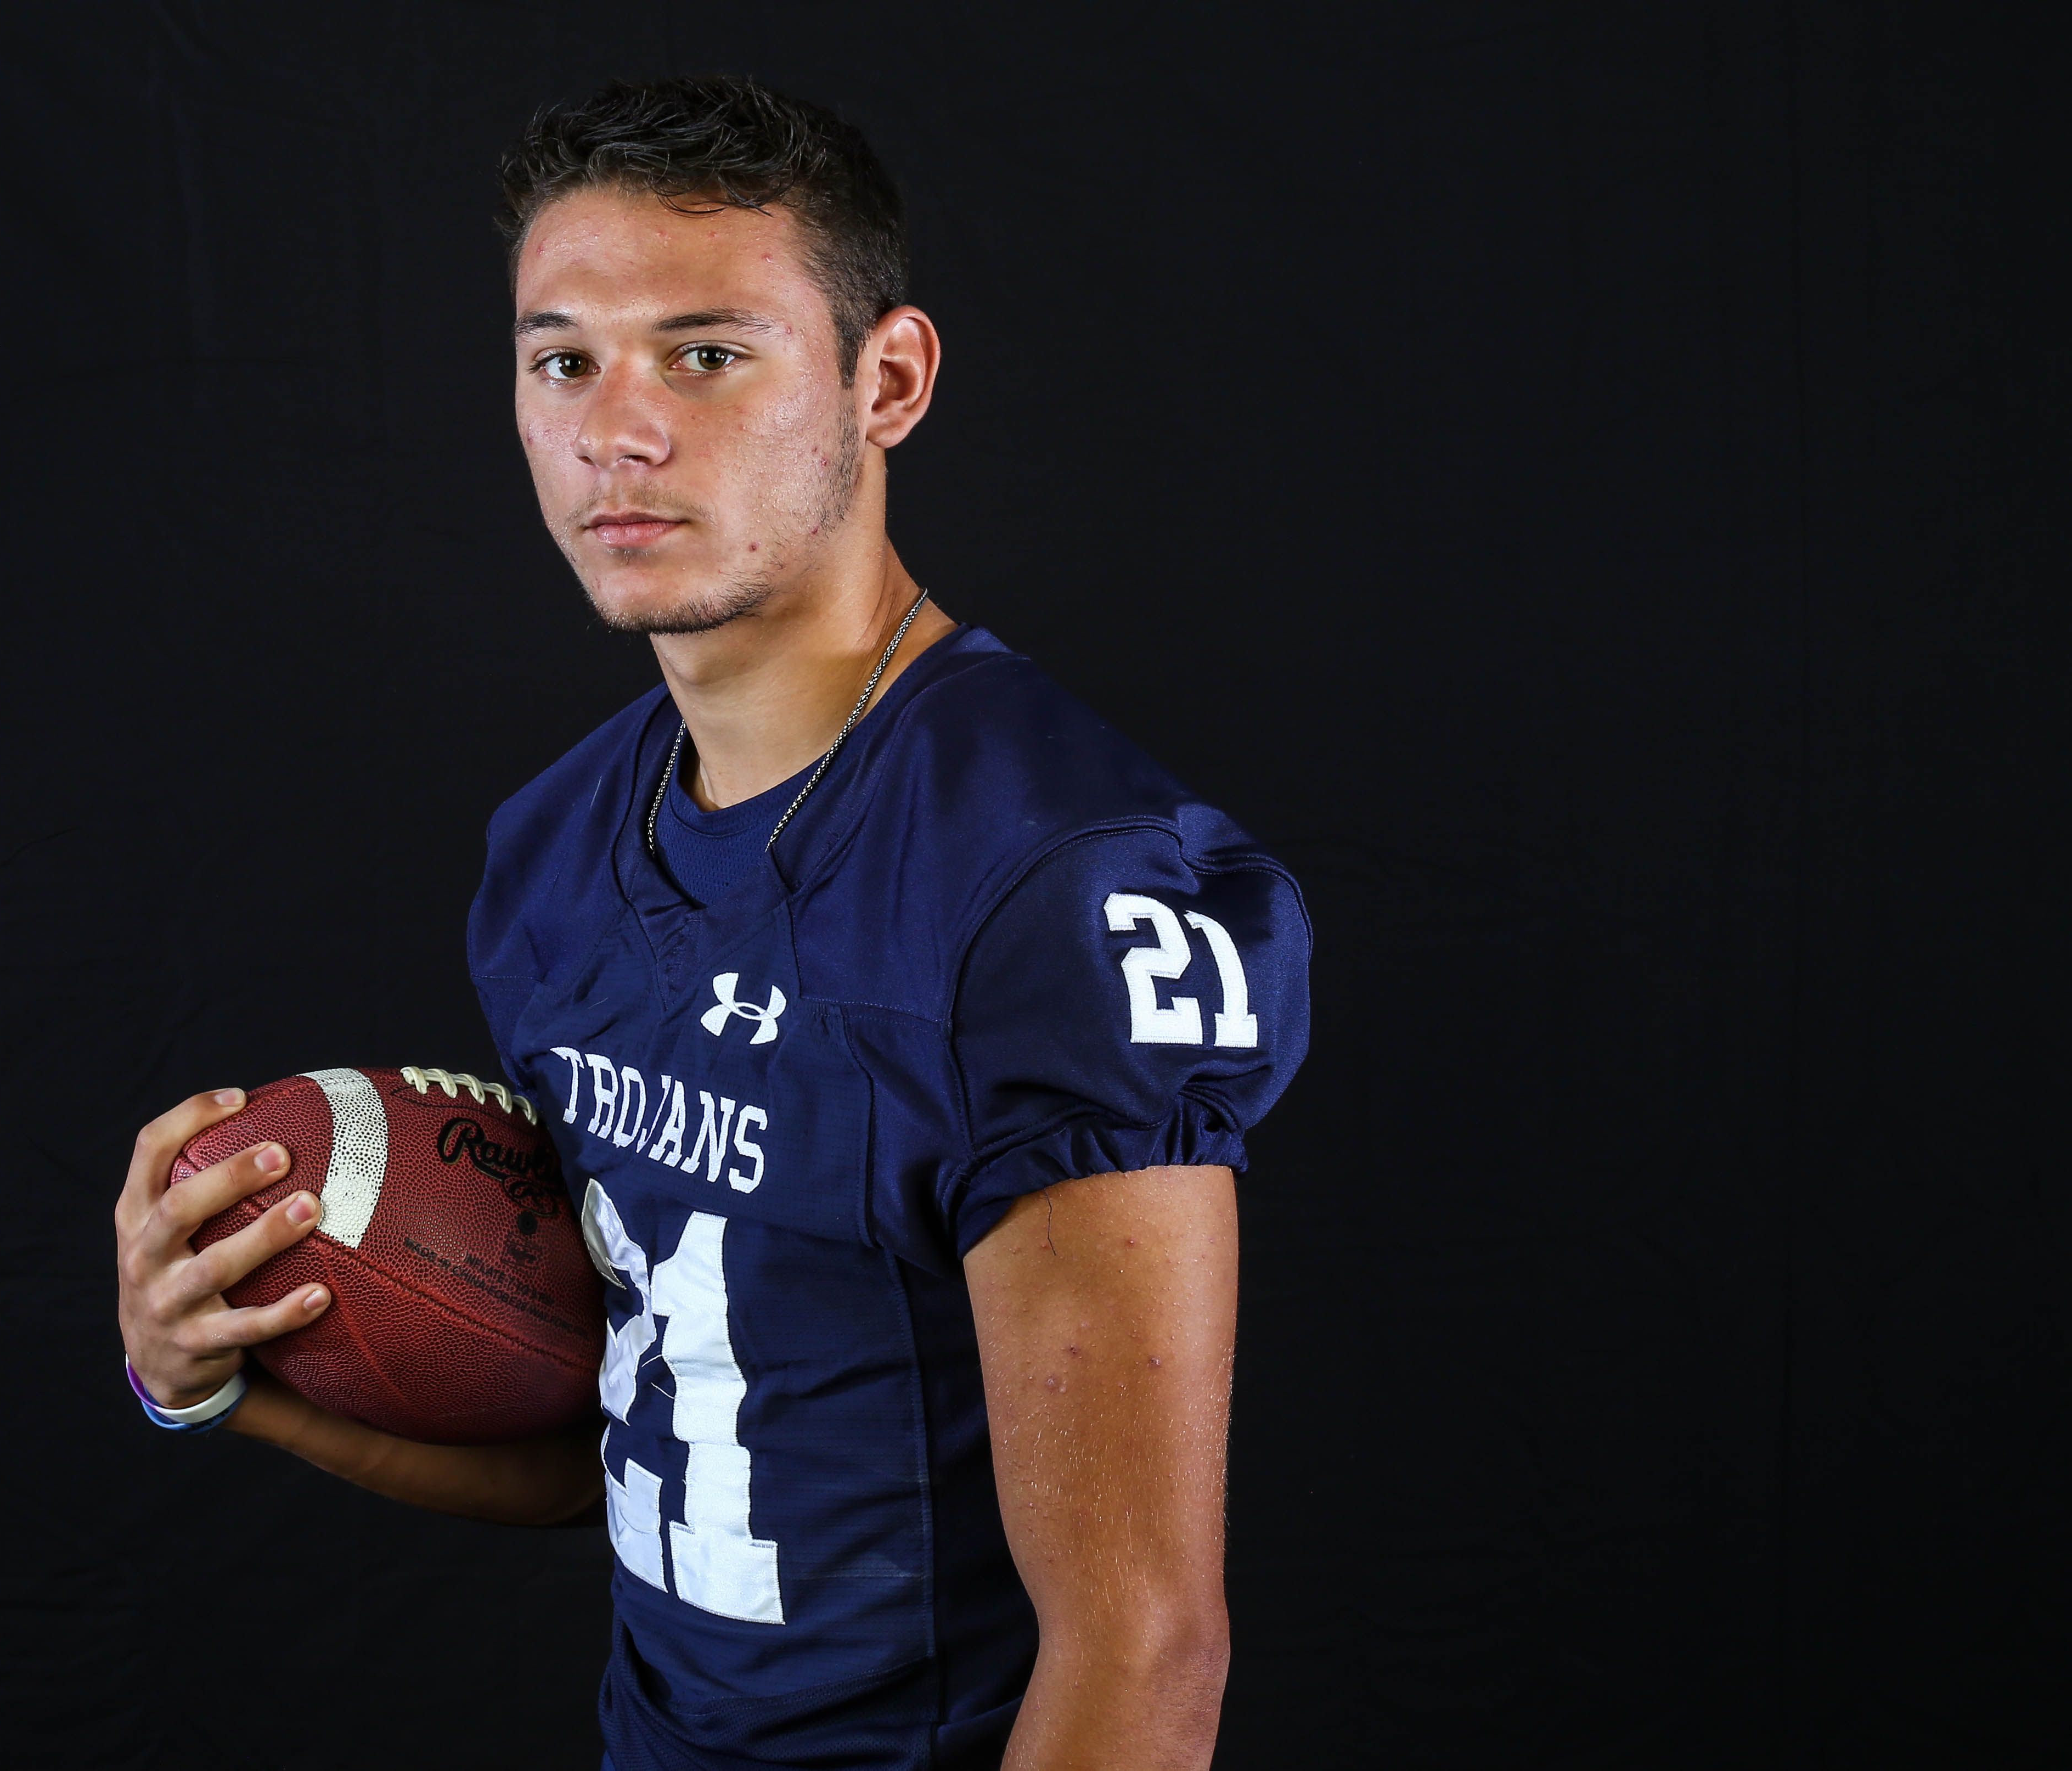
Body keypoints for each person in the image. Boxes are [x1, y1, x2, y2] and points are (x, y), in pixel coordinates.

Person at [115, 75, 1310, 1771]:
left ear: (883, 381)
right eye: (563, 360)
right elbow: (638, 1429)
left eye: (708, 353)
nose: (620, 428)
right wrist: (221, 1369)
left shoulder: (1047, 883)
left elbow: (1143, 1642)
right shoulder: (554, 855)